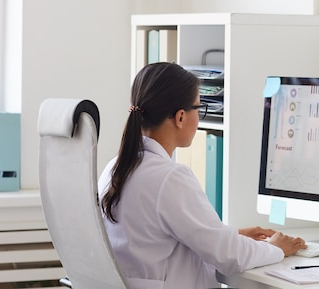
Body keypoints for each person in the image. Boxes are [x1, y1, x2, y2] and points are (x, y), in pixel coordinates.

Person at [98, 62, 307, 289]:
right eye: (198, 108)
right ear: (180, 117)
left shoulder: (115, 168)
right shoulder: (169, 178)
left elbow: (155, 236)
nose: (199, 117)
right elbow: (230, 257)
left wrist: (230, 234)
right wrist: (276, 248)